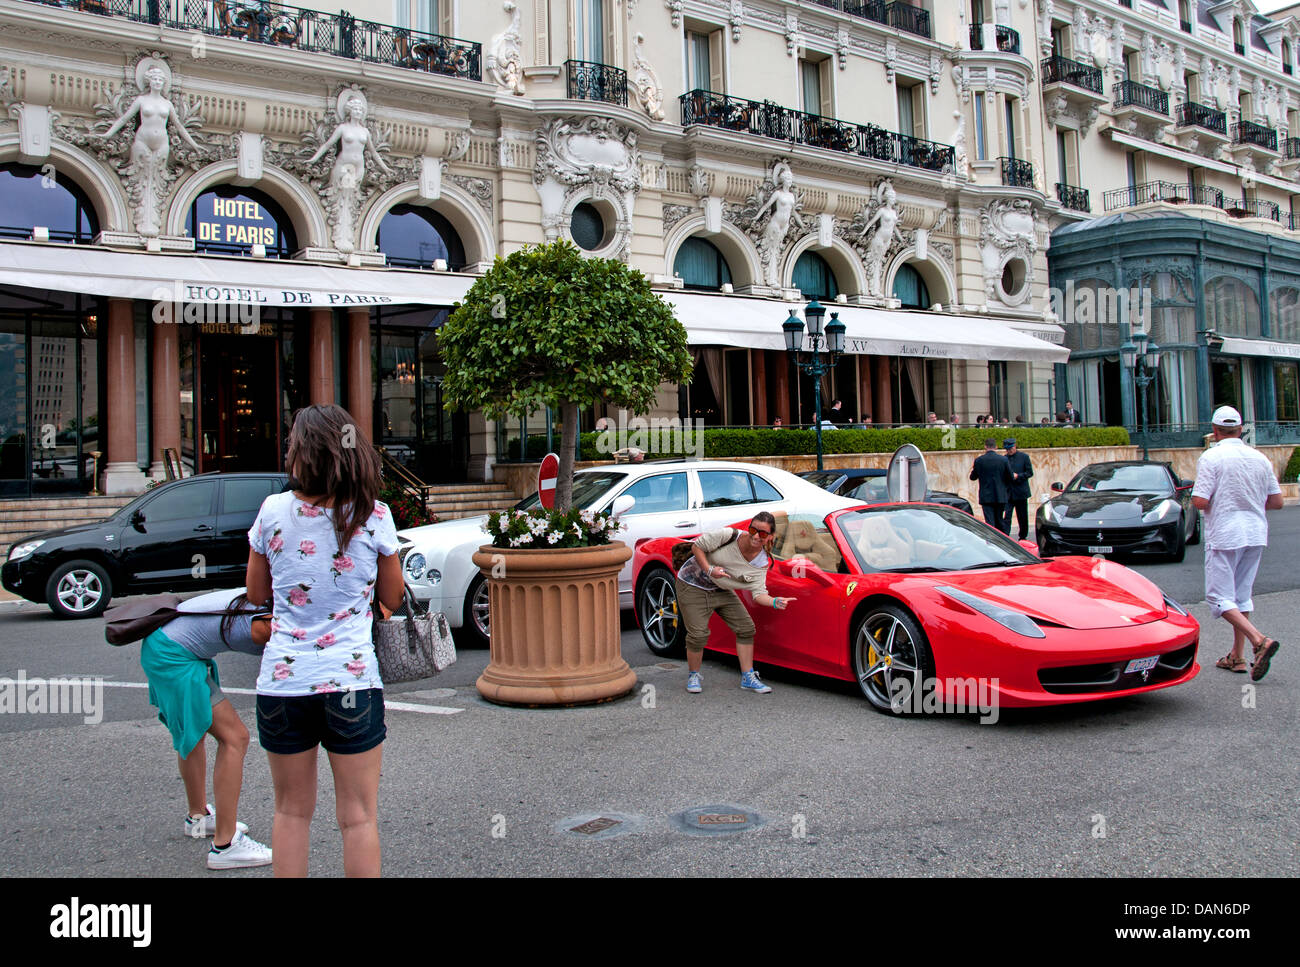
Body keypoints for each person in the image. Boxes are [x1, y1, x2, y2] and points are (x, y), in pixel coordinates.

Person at [246, 404, 404, 877]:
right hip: (351, 680)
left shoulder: (273, 511)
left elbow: (256, 593)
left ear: (302, 454)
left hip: (283, 682)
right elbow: (392, 594)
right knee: (357, 818)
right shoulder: (373, 514)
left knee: (291, 812)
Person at [140, 587, 274, 869]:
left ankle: (198, 818)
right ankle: (225, 846)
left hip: (164, 646)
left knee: (195, 732)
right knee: (235, 738)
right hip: (173, 657)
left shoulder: (261, 596)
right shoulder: (264, 625)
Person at [1191, 405, 1284, 681]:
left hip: (1225, 533)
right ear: (1240, 430)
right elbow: (1277, 502)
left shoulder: (1212, 457)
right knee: (1241, 596)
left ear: (1216, 431)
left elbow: (1200, 501)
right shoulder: (1260, 458)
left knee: (1218, 597)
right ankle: (1238, 656)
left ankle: (1259, 641)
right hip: (1255, 533)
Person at [676, 512, 795, 694]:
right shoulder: (729, 536)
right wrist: (709, 570)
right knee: (698, 635)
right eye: (753, 530)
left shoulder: (762, 562)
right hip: (693, 584)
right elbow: (697, 547)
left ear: (770, 536)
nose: (756, 536)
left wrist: (774, 601)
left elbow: (758, 594)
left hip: (721, 589)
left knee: (746, 629)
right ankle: (693, 674)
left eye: (762, 533)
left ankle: (748, 677)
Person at [970, 437, 1012, 534]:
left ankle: (991, 541)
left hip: (986, 496)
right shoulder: (1003, 460)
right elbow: (1010, 477)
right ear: (996, 447)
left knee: (989, 522)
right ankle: (1002, 541)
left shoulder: (979, 460)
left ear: (985, 447)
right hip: (1000, 495)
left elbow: (973, 477)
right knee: (999, 520)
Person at [1002, 438, 1034, 540]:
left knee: (1022, 516)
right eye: (1007, 449)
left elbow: (1029, 473)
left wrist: (1018, 476)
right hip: (1009, 492)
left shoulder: (1024, 457)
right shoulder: (1004, 459)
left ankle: (1023, 537)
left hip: (1021, 492)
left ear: (1015, 446)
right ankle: (1005, 536)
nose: (1009, 451)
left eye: (1011, 448)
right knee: (1007, 516)